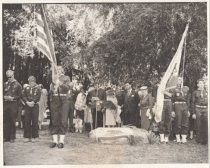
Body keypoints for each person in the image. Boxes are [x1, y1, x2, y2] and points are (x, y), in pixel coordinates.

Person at [49, 67, 74, 148]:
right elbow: (51, 90)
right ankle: (55, 141)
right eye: (57, 70)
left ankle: (61, 141)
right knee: (54, 119)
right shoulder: (54, 78)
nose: (58, 71)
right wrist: (53, 85)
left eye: (60, 70)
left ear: (62, 70)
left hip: (64, 100)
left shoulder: (66, 78)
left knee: (63, 120)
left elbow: (68, 88)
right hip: (55, 100)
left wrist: (61, 84)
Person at [3, 70, 22, 143]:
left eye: (10, 77)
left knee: (12, 120)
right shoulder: (5, 84)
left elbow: (20, 95)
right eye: (7, 77)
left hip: (13, 104)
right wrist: (4, 97)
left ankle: (12, 137)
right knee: (5, 120)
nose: (9, 79)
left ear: (13, 75)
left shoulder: (18, 85)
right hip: (6, 104)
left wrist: (13, 98)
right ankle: (6, 136)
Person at [22, 76, 41, 142]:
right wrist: (27, 102)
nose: (31, 83)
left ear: (35, 81)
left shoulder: (38, 88)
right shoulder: (26, 88)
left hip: (35, 106)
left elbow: (38, 96)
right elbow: (23, 95)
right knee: (27, 121)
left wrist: (33, 102)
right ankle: (27, 137)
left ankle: (35, 136)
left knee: (35, 122)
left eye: (32, 81)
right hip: (27, 106)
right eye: (30, 81)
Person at [192, 79, 208, 145]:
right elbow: (192, 103)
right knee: (198, 125)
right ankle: (198, 139)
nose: (201, 85)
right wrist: (193, 113)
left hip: (206, 109)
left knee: (206, 125)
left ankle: (205, 140)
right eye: (200, 83)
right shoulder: (195, 92)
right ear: (197, 85)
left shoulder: (207, 92)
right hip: (198, 109)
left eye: (202, 83)